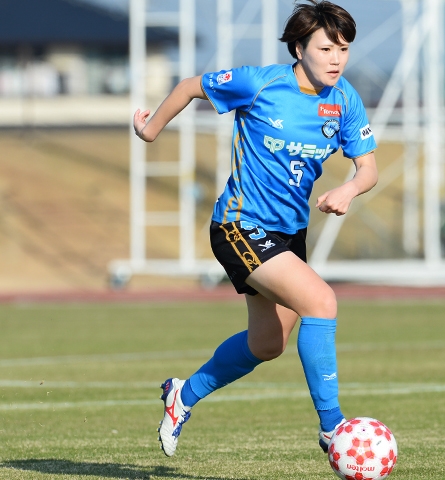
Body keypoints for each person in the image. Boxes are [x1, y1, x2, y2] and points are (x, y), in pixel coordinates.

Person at [133, 0, 378, 457]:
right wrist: (151, 131)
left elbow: (368, 169)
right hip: (239, 226)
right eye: (326, 48)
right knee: (322, 302)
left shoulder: (344, 99)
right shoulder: (260, 83)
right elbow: (190, 86)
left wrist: (349, 189)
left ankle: (181, 396)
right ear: (300, 48)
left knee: (268, 344)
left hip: (288, 235)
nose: (336, 59)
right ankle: (333, 430)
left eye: (344, 49)